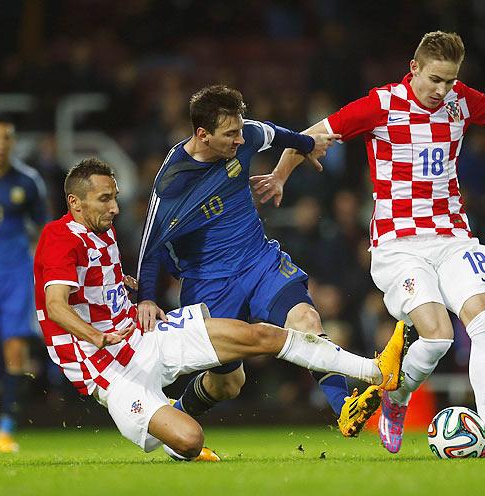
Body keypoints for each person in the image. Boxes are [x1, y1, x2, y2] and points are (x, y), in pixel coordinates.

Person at [258, 31, 485, 456]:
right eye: (436, 80)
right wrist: (280, 174)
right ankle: (397, 399)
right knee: (439, 337)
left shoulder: (460, 101)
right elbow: (313, 134)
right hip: (398, 244)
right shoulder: (381, 105)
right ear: (414, 69)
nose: (443, 90)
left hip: (452, 236)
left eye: (450, 80)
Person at [33, 158, 406, 460]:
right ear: (74, 203)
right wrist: (98, 336)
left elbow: (93, 286)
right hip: (110, 372)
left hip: (144, 338)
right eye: (104, 200)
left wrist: (124, 287)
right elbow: (55, 306)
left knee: (259, 334)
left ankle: (375, 370)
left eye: (114, 197)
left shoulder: (101, 231)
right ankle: (172, 434)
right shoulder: (58, 237)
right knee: (190, 440)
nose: (114, 207)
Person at [136, 84, 389, 437]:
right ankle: (167, 425)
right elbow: (150, 248)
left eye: (240, 130)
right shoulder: (173, 183)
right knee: (229, 383)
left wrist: (304, 149)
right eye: (230, 134)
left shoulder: (246, 134)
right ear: (202, 135)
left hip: (259, 261)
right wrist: (147, 297)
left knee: (305, 317)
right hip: (209, 283)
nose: (240, 140)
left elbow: (281, 134)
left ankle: (344, 409)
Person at [0, 118, 49, 453]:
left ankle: (7, 428)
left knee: (15, 350)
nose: (0, 143)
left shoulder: (27, 181)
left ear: (13, 142)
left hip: (16, 274)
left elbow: (45, 229)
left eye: (6, 137)